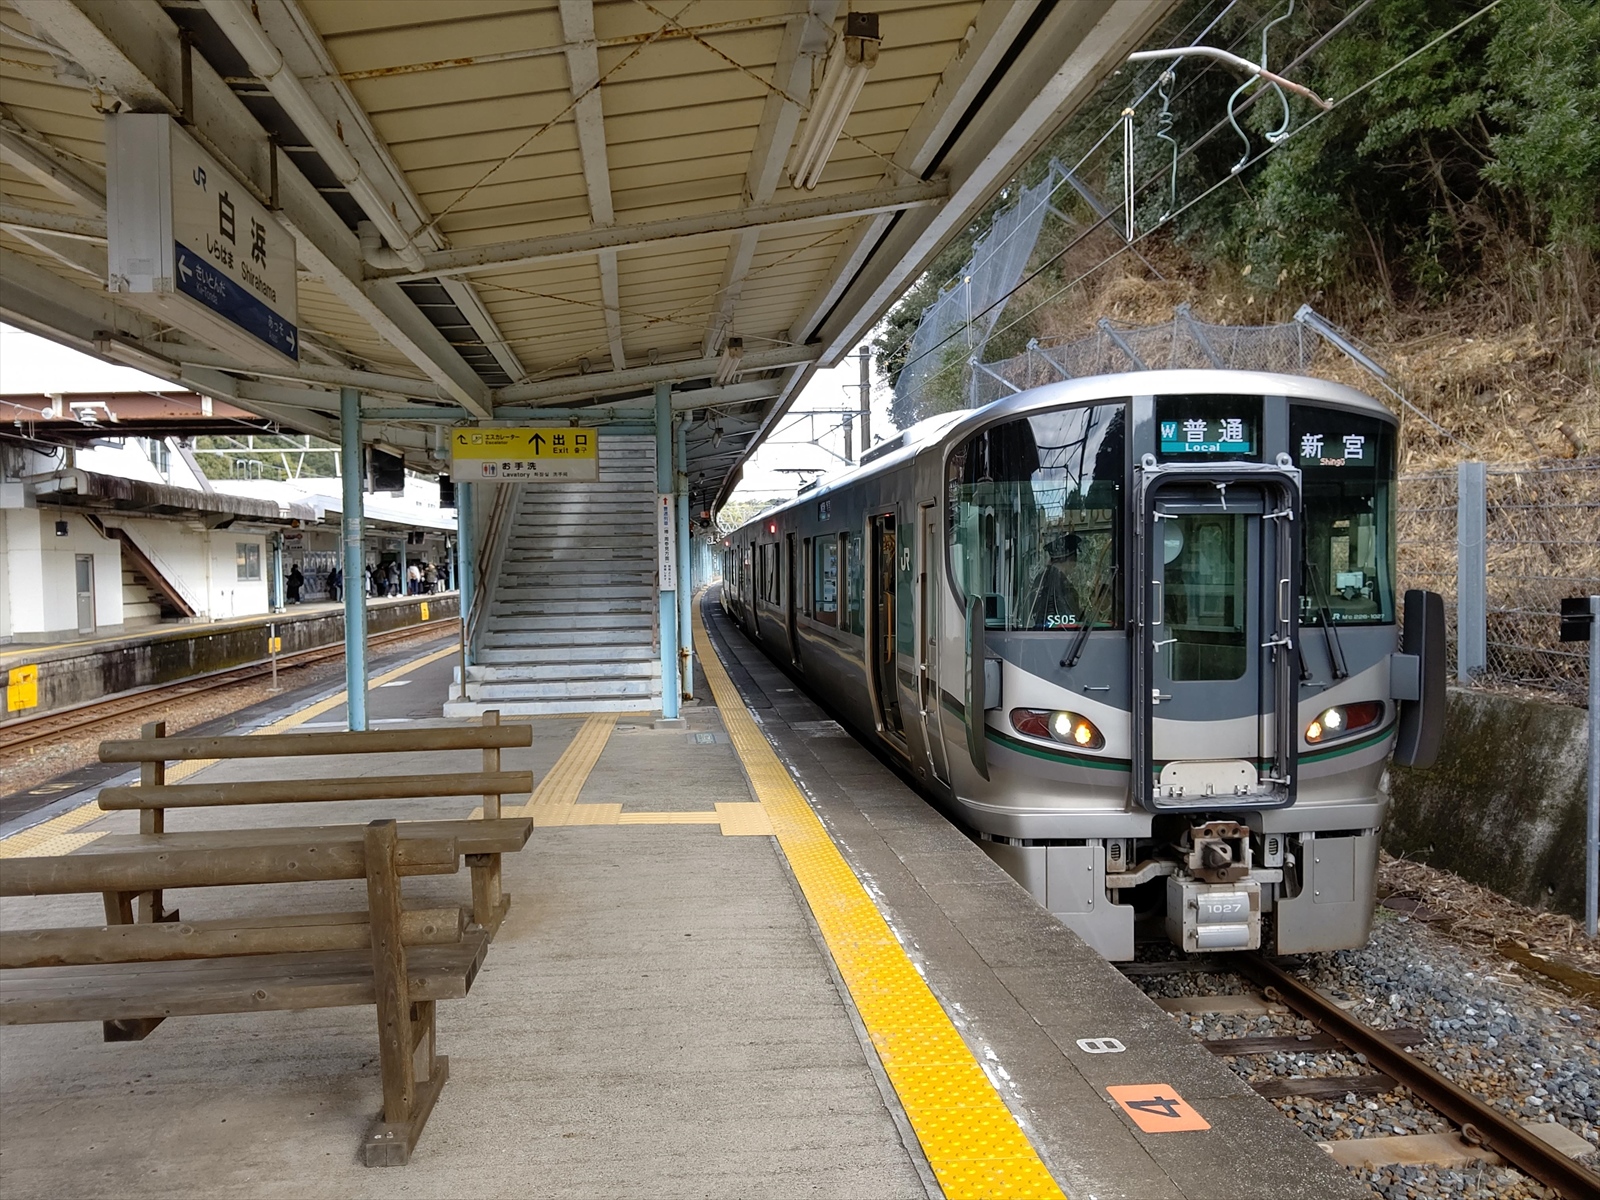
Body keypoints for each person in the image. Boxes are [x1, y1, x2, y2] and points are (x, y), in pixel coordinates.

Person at [1027, 533, 1082, 629]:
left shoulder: (1041, 578)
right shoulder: (1061, 584)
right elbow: (1069, 619)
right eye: (1074, 562)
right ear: (1071, 560)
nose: (1075, 566)